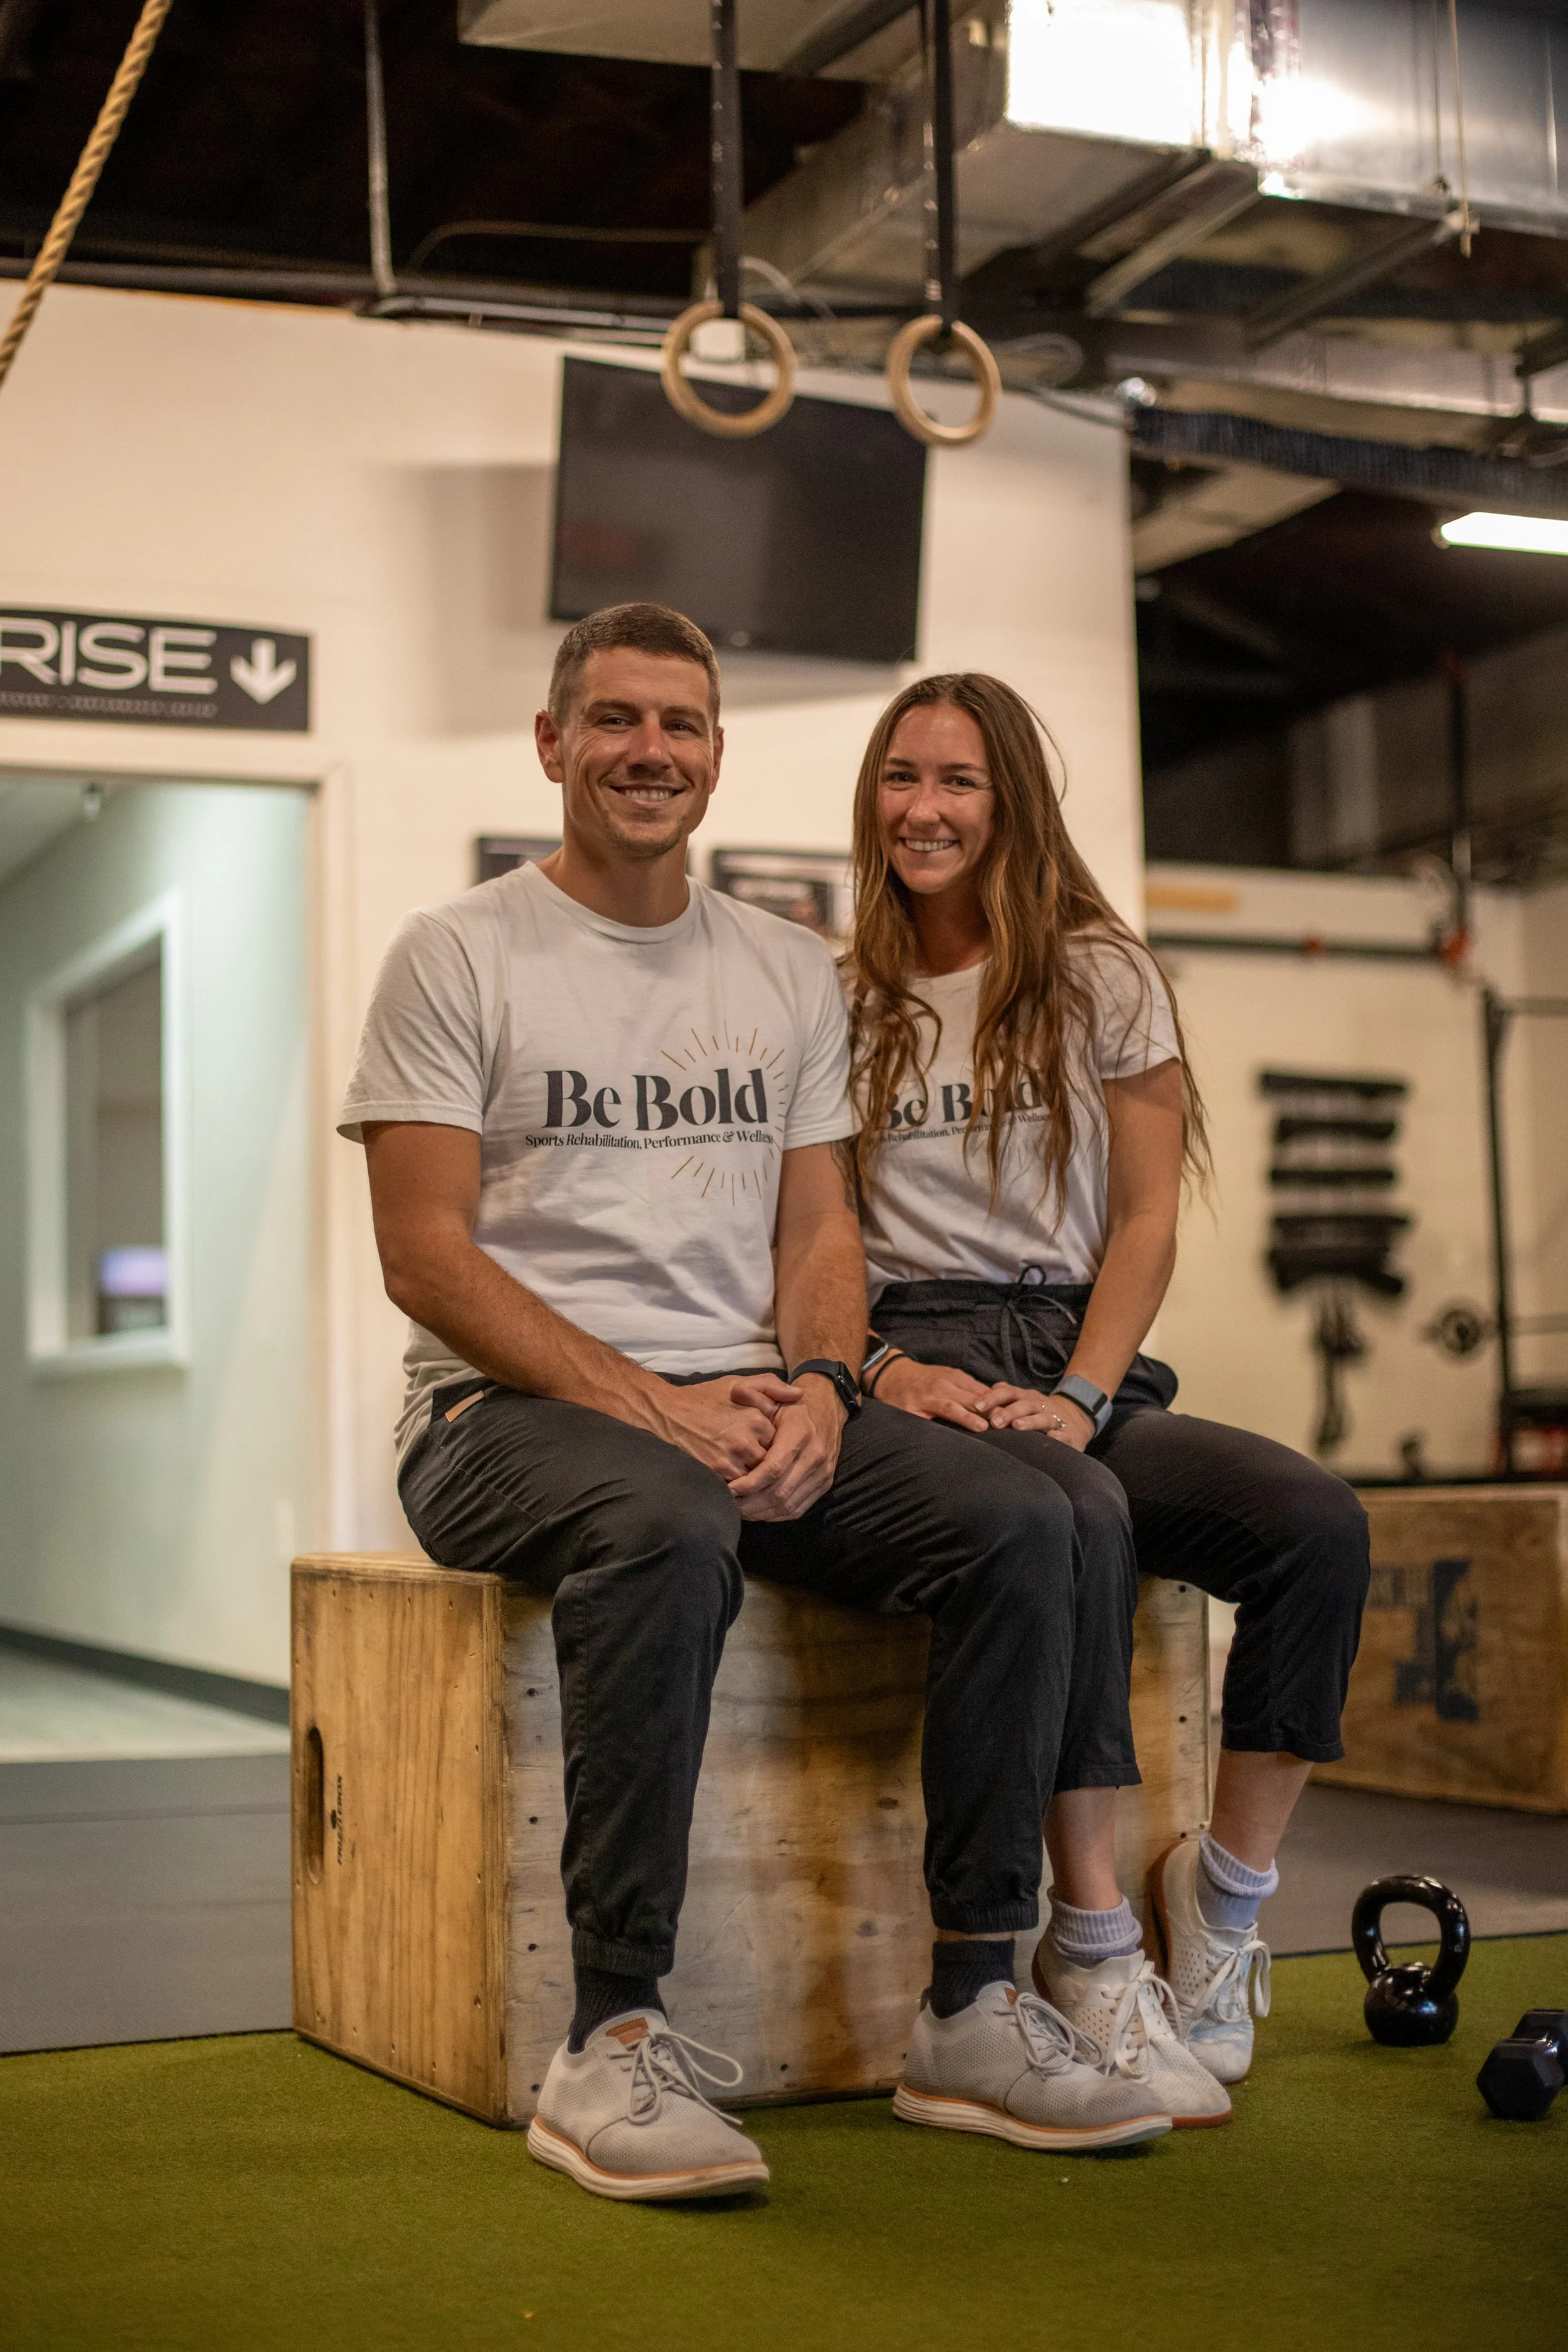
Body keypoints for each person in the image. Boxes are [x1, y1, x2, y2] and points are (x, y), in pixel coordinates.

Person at [338, 604, 1170, 2205]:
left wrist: (809, 1383)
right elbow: (424, 1258)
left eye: (683, 727)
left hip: (744, 1402)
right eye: (618, 722)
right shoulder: (458, 953)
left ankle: (974, 2002)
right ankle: (610, 2036)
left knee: (1019, 1518)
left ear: (716, 756)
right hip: (495, 1420)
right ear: (552, 745)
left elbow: (816, 1231)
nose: (651, 754)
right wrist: (659, 1407)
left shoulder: (782, 968)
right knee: (665, 1519)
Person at [843, 671, 1370, 2111]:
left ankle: (1218, 1905)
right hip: (915, 1356)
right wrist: (887, 1373)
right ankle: (1087, 1946)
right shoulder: (840, 996)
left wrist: (1078, 1393)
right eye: (901, 778)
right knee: (1068, 1517)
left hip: (1079, 1357)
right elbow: (813, 1245)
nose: (925, 809)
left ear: (1011, 800)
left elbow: (1142, 1219)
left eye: (957, 780)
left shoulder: (1100, 971)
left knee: (1312, 1524)